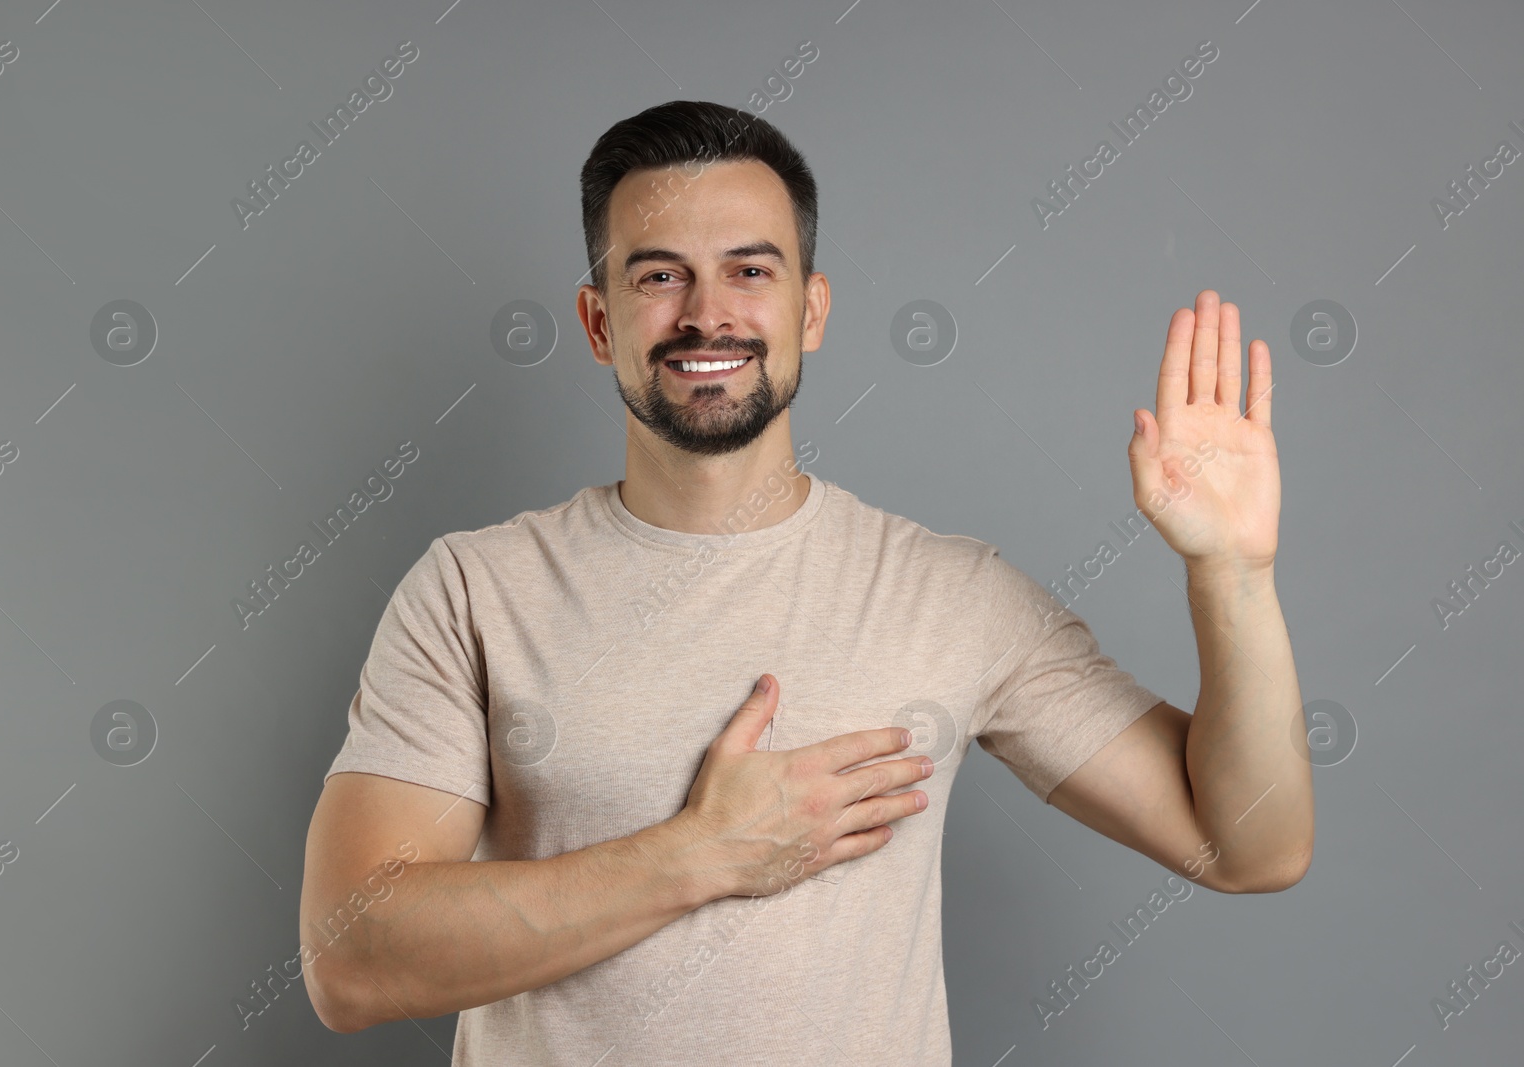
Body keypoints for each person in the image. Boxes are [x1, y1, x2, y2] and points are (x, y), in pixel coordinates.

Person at [299, 99, 1313, 1065]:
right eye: (658, 276)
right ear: (599, 320)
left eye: (750, 270)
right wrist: (699, 853)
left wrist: (1231, 574)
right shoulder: (475, 589)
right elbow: (348, 959)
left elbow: (1246, 844)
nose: (707, 314)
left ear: (810, 308)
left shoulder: (952, 594)